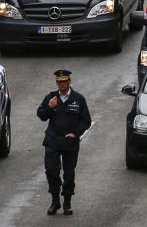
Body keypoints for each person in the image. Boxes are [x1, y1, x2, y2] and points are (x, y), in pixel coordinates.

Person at [37, 69, 92, 216]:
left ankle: (67, 202)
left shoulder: (78, 99)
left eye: (64, 82)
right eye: (59, 82)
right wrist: (50, 107)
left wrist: (75, 134)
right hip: (52, 140)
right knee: (51, 172)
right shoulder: (51, 97)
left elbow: (86, 121)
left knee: (69, 173)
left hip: (69, 142)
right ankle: (55, 201)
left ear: (69, 82)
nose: (61, 84)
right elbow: (41, 115)